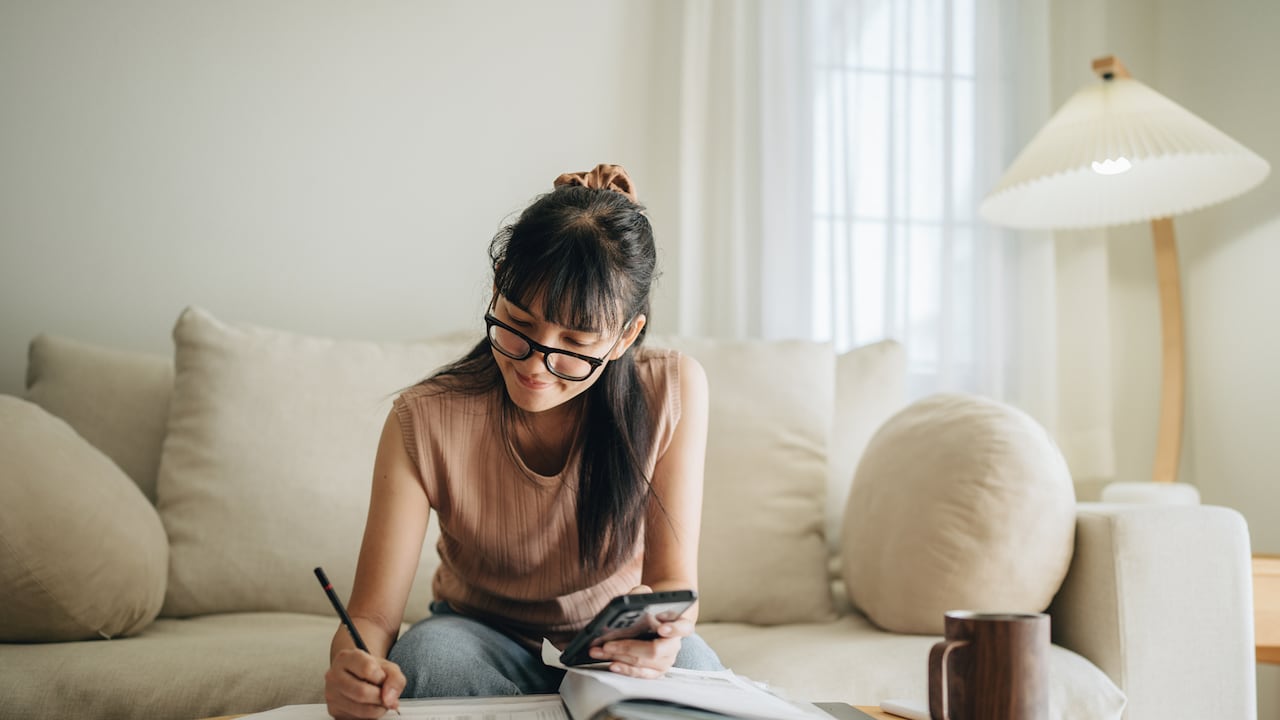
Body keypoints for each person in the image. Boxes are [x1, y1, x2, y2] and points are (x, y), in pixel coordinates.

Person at [323, 164, 722, 719]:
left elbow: (672, 583)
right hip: (477, 634)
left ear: (625, 336)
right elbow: (371, 618)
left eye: (575, 342)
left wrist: (665, 637)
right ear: (497, 286)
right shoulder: (424, 417)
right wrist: (352, 662)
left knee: (698, 676)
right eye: (517, 323)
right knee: (428, 663)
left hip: (610, 642)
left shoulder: (670, 389)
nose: (537, 364)